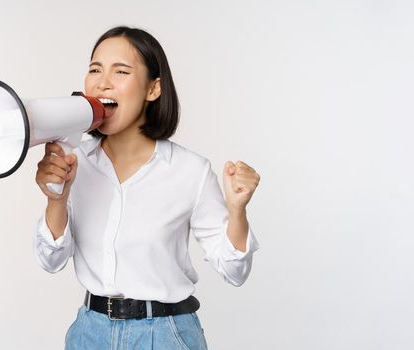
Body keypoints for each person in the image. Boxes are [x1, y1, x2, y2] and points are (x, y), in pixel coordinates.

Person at [32, 26, 261, 350]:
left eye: (121, 71)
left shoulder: (190, 171)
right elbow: (51, 261)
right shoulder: (75, 163)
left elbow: (234, 271)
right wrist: (58, 198)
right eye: (94, 69)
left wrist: (237, 210)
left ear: (153, 89)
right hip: (89, 333)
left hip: (165, 335)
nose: (102, 82)